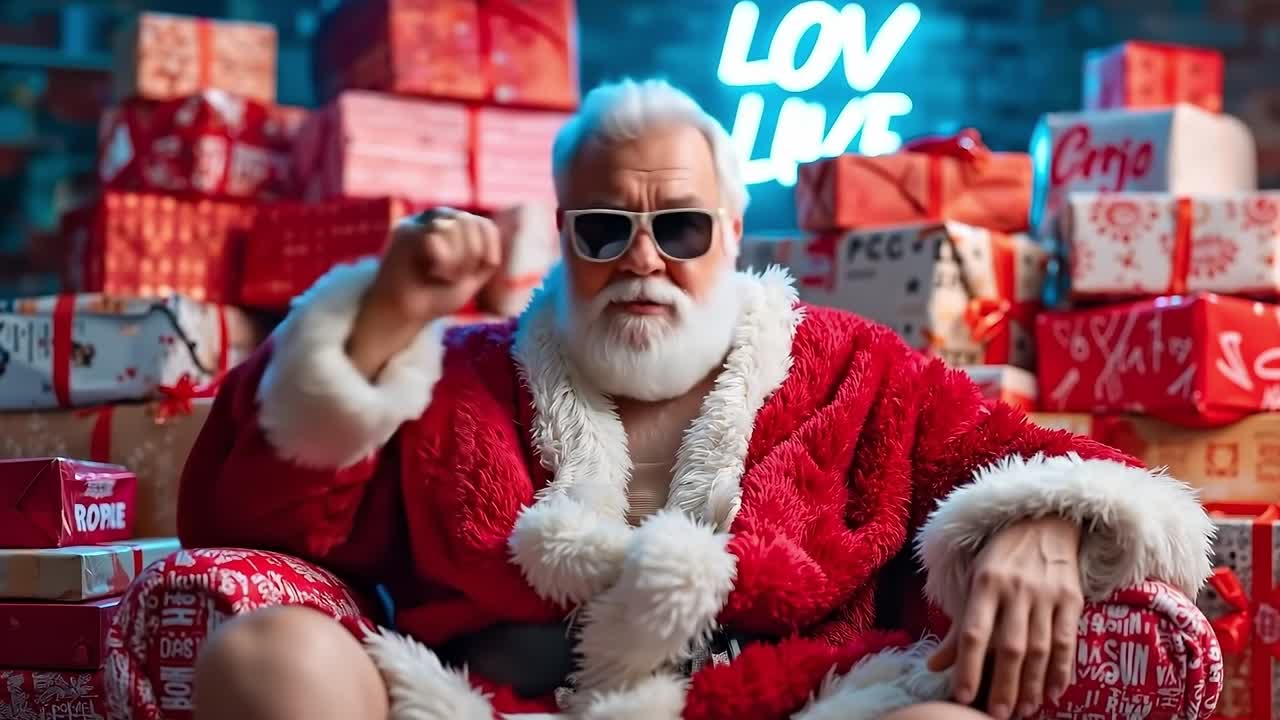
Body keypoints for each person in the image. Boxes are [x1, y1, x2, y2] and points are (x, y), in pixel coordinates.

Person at [180, 79, 1214, 720]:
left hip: (784, 712)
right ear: (559, 238)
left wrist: (1042, 517)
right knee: (267, 653)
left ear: (728, 232)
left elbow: (1051, 460)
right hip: (497, 709)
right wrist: (379, 325)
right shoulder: (459, 375)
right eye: (601, 230)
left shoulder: (858, 369)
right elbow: (249, 522)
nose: (641, 259)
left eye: (675, 229)